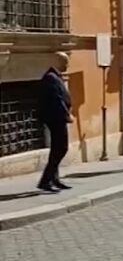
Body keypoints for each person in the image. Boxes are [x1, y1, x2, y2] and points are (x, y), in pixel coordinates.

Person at [37, 52, 74, 192]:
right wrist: (67, 115)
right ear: (58, 61)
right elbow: (57, 100)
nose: (67, 65)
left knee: (56, 149)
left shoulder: (55, 76)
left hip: (58, 118)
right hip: (56, 118)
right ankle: (46, 180)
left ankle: (54, 179)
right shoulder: (51, 78)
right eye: (65, 62)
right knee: (61, 148)